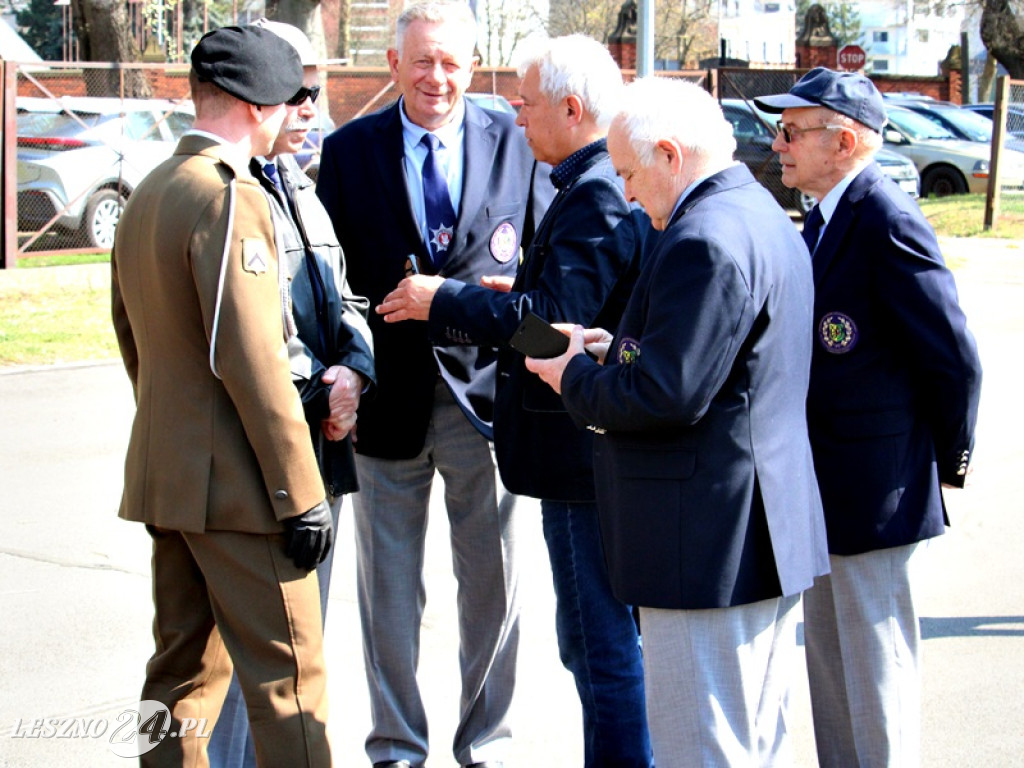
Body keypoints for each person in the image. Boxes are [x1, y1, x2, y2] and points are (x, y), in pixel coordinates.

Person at [525, 76, 830, 768]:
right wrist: (616, 350)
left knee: (704, 746)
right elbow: (717, 364)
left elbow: (664, 398)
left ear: (670, 155)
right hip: (751, 530)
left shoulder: (706, 238)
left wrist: (569, 372)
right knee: (751, 739)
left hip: (706, 542)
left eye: (630, 174)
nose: (626, 194)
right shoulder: (753, 211)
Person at [376, 34, 653, 767]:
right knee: (594, 644)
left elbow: (550, 335)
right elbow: (557, 306)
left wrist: (448, 300)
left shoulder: (594, 193)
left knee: (599, 650)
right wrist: (513, 293)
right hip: (575, 456)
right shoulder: (583, 181)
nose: (517, 117)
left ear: (571, 107)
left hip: (581, 459)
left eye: (527, 105)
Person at [315, 2, 552, 766]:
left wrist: (513, 290)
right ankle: (396, 746)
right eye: (422, 61)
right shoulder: (349, 153)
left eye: (451, 62)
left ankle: (487, 743)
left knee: (492, 588)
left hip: (488, 400)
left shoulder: (518, 144)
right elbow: (329, 284)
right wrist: (346, 368)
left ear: (472, 66)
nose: (437, 78)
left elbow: (550, 272)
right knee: (388, 593)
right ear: (393, 65)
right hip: (388, 405)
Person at [110, 25, 333, 767]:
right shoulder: (230, 195)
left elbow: (134, 340)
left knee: (177, 679)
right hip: (241, 490)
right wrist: (300, 492)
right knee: (290, 686)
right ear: (255, 103)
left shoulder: (147, 192)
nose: (292, 115)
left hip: (169, 478)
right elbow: (255, 358)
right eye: (291, 100)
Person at [754, 67, 983, 767]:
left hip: (876, 493)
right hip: (827, 489)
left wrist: (942, 464)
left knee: (875, 678)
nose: (779, 146)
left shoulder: (885, 217)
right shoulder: (825, 217)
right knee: (832, 672)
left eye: (792, 132)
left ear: (845, 141)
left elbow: (954, 357)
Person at [207, 19, 376, 768]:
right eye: (295, 88)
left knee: (297, 655)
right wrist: (322, 392)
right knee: (253, 671)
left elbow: (345, 302)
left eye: (316, 87)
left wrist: (355, 373)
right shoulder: (227, 195)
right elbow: (254, 342)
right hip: (259, 466)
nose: (308, 104)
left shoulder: (298, 184)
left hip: (317, 455)